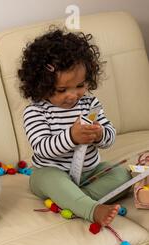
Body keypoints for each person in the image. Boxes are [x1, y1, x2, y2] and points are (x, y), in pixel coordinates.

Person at [18, 28, 131, 226]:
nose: (72, 95)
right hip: (51, 172)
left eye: (80, 86)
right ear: (40, 85)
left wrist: (100, 134)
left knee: (121, 175)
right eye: (62, 90)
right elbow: (42, 148)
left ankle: (72, 201)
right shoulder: (36, 111)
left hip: (89, 173)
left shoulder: (90, 104)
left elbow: (110, 137)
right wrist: (71, 136)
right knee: (47, 178)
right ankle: (90, 208)